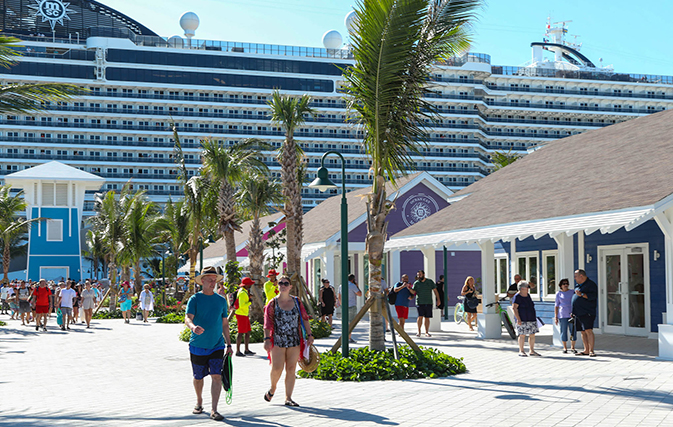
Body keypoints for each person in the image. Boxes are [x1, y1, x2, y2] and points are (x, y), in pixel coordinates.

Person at [185, 266, 232, 422]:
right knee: (198, 377)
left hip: (217, 345)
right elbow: (188, 318)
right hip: (198, 345)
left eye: (215, 280)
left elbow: (225, 324)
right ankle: (199, 402)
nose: (213, 282)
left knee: (216, 376)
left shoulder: (220, 300)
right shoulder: (195, 299)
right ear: (202, 281)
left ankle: (214, 409)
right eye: (210, 280)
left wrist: (229, 345)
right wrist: (193, 327)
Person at [263, 274, 313, 407]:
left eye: (286, 284)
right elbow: (267, 323)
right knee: (277, 368)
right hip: (278, 340)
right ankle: (273, 388)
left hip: (294, 340)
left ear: (290, 287)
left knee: (291, 369)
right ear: (277, 286)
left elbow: (304, 318)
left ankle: (288, 397)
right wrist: (267, 339)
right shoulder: (272, 303)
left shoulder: (297, 301)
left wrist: (309, 335)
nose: (283, 286)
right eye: (281, 283)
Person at [572, 269, 598, 357]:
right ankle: (586, 350)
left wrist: (582, 295)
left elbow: (592, 297)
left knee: (588, 330)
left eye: (576, 276)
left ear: (581, 276)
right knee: (582, 332)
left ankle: (591, 351)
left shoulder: (591, 285)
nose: (574, 278)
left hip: (587, 311)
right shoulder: (578, 285)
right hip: (578, 312)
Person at [511, 281, 540, 357]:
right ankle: (521, 350)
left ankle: (532, 350)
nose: (528, 288)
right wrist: (518, 319)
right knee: (522, 335)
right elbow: (514, 308)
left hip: (531, 317)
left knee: (532, 334)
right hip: (522, 318)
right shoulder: (517, 296)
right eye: (527, 287)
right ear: (522, 288)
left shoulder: (528, 295)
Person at [410, 270, 440, 337]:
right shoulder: (416, 283)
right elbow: (413, 292)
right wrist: (409, 289)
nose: (419, 276)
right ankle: (419, 331)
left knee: (427, 317)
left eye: (420, 274)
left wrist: (438, 300)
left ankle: (426, 332)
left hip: (428, 302)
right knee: (420, 316)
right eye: (418, 275)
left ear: (423, 274)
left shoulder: (429, 282)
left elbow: (435, 291)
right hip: (420, 302)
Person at [337, 274, 362, 343]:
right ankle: (348, 337)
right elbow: (360, 294)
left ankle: (345, 336)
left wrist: (342, 304)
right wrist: (357, 286)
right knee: (351, 323)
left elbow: (339, 297)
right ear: (353, 279)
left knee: (345, 322)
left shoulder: (341, 286)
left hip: (344, 306)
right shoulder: (352, 286)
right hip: (351, 306)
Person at [554, 278, 577, 353]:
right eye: (564, 284)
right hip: (562, 315)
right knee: (563, 331)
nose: (565, 285)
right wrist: (556, 317)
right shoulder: (559, 293)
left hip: (571, 314)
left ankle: (572, 347)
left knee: (573, 331)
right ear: (561, 286)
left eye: (566, 283)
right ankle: (565, 347)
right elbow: (556, 306)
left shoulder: (572, 292)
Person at [234, 277, 255, 357]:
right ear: (246, 285)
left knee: (248, 331)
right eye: (249, 284)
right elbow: (242, 305)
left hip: (244, 314)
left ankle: (246, 350)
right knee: (241, 332)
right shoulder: (242, 293)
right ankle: (238, 351)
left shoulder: (245, 291)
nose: (250, 285)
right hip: (241, 314)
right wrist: (249, 302)